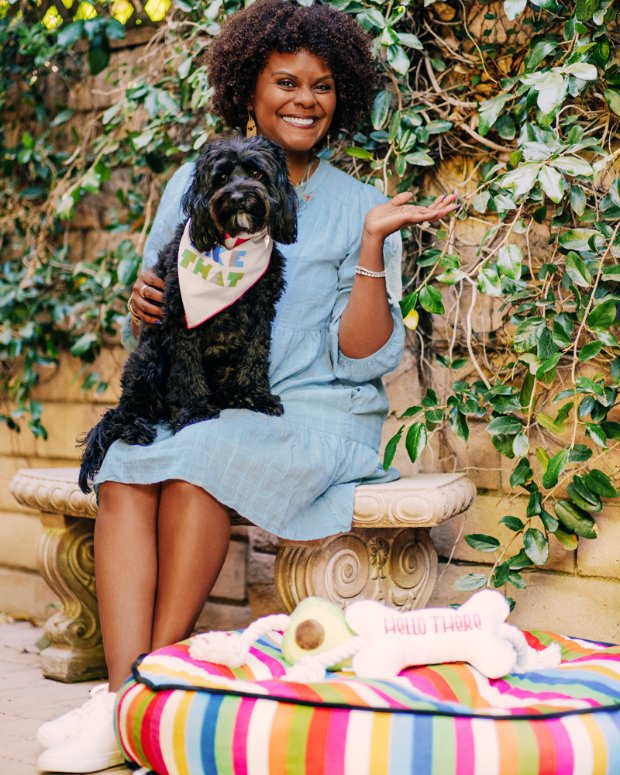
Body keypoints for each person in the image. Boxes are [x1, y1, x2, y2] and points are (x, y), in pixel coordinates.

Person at [36, 1, 458, 771]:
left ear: (343, 97)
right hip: (215, 405)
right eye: (287, 82)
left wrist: (370, 248)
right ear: (250, 89)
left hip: (320, 416)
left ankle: (141, 693)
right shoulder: (195, 182)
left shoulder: (363, 205)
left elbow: (365, 357)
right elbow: (164, 316)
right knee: (129, 466)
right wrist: (143, 303)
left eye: (323, 86)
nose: (306, 99)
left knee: (200, 458)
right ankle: (129, 703)